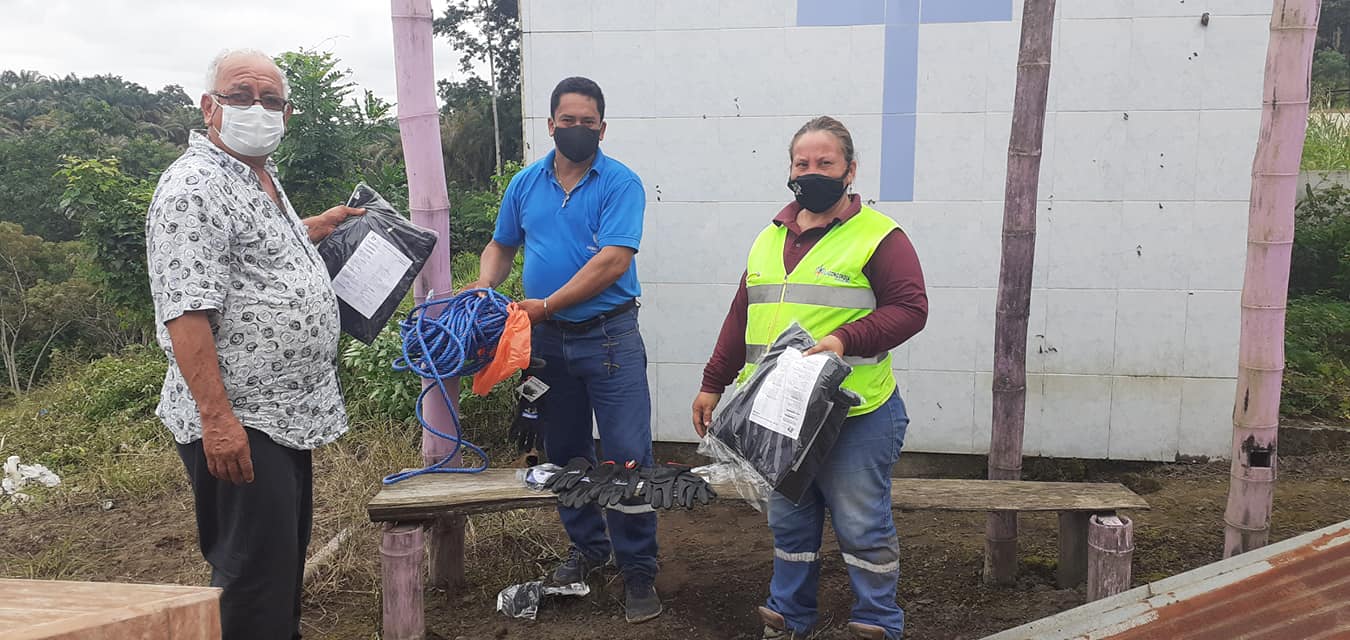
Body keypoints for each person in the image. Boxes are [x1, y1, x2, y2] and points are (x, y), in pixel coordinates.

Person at [144, 48, 364, 639]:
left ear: (287, 113)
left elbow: (252, 250)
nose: (257, 110)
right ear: (209, 107)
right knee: (251, 578)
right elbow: (185, 312)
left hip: (286, 414)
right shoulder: (194, 187)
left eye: (271, 100)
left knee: (278, 563)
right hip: (241, 416)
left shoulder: (257, 175)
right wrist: (218, 420)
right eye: (241, 97)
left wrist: (313, 227)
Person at [692, 116, 928, 640]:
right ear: (790, 170)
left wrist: (845, 338)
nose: (812, 172)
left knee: (862, 525)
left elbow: (911, 309)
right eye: (802, 164)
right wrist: (713, 383)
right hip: (781, 416)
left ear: (850, 170)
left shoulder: (880, 237)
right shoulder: (769, 237)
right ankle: (789, 616)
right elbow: (741, 315)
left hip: (855, 413)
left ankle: (877, 621)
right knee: (790, 522)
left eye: (825, 162)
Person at [466, 76, 661, 623]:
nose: (578, 129)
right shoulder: (525, 183)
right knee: (565, 453)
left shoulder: (620, 183)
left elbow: (613, 261)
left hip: (609, 337)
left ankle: (638, 569)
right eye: (568, 121)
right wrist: (484, 285)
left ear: (603, 127)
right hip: (547, 344)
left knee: (626, 457)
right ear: (550, 124)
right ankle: (589, 551)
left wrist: (547, 304)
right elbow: (502, 244)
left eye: (588, 122)